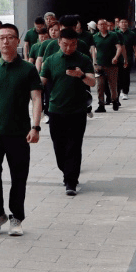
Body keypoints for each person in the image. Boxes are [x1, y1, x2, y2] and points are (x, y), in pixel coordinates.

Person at [0, 24, 43, 236]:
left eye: (10, 37)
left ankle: (16, 218)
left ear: (17, 41)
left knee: (19, 176)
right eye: (1, 38)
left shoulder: (27, 69)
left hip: (19, 132)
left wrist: (36, 127)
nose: (5, 41)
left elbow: (36, 98)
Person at [40, 28, 96, 194]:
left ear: (76, 43)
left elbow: (92, 82)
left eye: (72, 44)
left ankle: (71, 181)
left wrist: (80, 75)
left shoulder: (84, 59)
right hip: (55, 109)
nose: (69, 48)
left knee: (74, 145)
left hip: (77, 110)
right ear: (59, 42)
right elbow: (41, 82)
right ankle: (66, 171)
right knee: (59, 146)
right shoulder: (50, 60)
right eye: (65, 44)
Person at [90, 18, 125, 112]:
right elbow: (93, 50)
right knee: (100, 86)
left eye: (103, 24)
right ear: (97, 26)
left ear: (107, 25)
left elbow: (119, 47)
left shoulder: (113, 35)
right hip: (100, 65)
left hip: (111, 65)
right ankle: (101, 104)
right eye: (100, 24)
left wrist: (116, 57)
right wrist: (94, 62)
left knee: (113, 85)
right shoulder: (95, 37)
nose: (102, 26)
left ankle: (114, 101)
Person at [116, 18, 136, 99]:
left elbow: (135, 46)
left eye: (125, 22)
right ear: (118, 24)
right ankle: (119, 90)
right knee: (118, 75)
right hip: (118, 58)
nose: (123, 24)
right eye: (121, 22)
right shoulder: (115, 33)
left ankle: (125, 92)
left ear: (128, 23)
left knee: (126, 75)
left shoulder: (132, 34)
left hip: (128, 57)